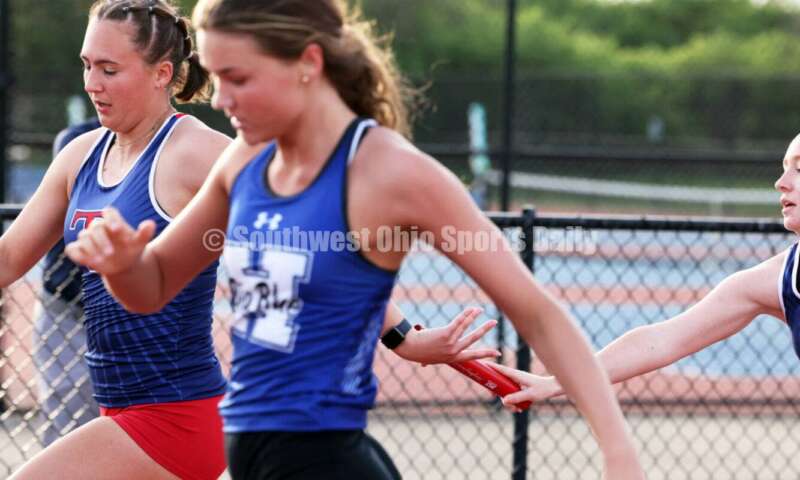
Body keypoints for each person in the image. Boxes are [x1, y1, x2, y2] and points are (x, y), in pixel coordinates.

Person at [65, 1, 645, 479]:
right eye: (216, 79)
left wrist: (617, 450)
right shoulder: (244, 162)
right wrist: (120, 265)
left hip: (325, 460)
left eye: (237, 78)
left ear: (306, 64)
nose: (218, 100)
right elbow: (155, 285)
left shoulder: (390, 172)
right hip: (248, 453)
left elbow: (537, 312)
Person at [485, 133, 800, 412]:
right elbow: (664, 339)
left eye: (799, 168)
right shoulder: (773, 280)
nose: (782, 181)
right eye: (784, 167)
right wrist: (556, 382)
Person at [32, 117, 101, 448]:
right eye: (90, 66)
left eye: (111, 70)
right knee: (67, 415)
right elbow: (10, 256)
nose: (95, 83)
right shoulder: (77, 140)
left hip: (138, 314)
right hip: (68, 301)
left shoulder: (184, 145)